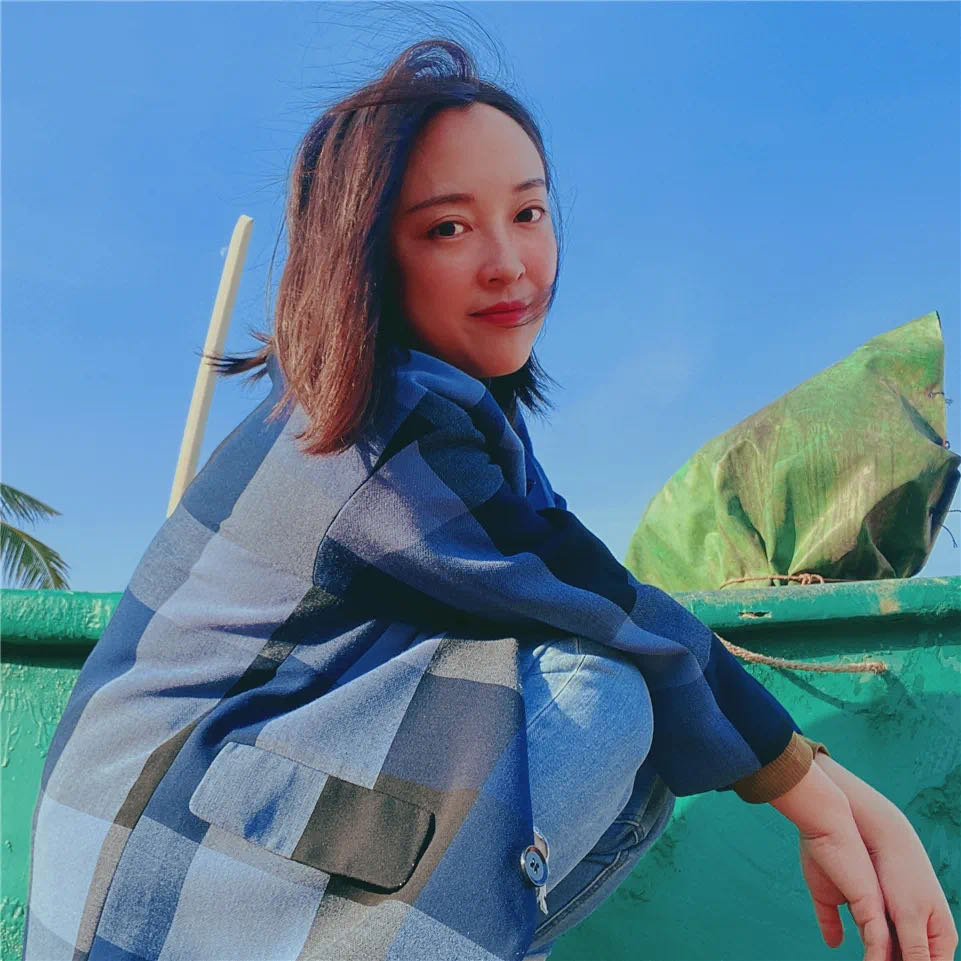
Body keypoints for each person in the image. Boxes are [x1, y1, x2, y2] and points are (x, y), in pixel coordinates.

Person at [22, 37, 955, 961]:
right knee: (605, 688)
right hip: (151, 870)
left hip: (192, 834)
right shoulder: (370, 427)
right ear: (365, 256)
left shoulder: (454, 425)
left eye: (529, 213)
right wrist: (830, 803)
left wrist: (821, 788)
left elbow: (576, 570)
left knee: (611, 693)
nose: (509, 262)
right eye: (447, 228)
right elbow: (608, 605)